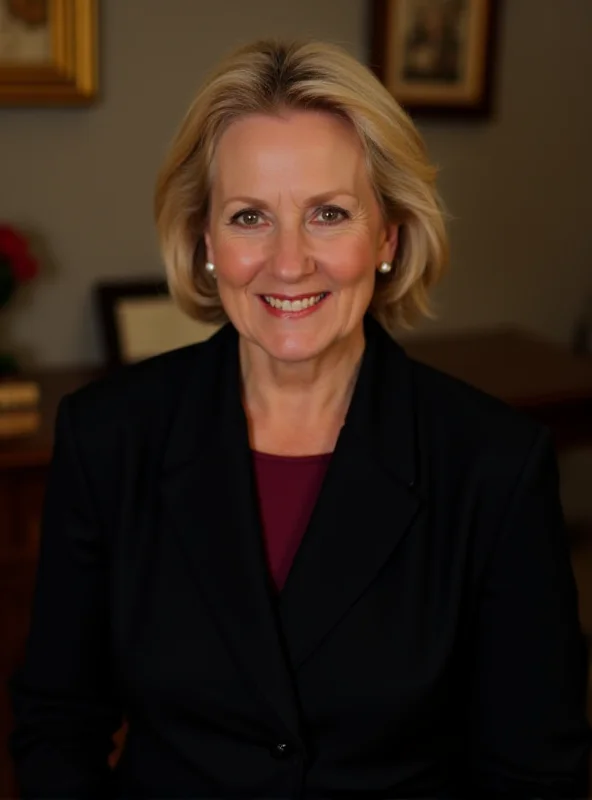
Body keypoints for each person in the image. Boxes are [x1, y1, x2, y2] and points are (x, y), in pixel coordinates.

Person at [8, 38, 591, 799]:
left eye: (328, 214)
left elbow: (534, 775)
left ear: (386, 236)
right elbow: (58, 725)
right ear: (204, 240)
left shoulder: (493, 466)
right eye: (250, 216)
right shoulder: (107, 438)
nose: (288, 262)